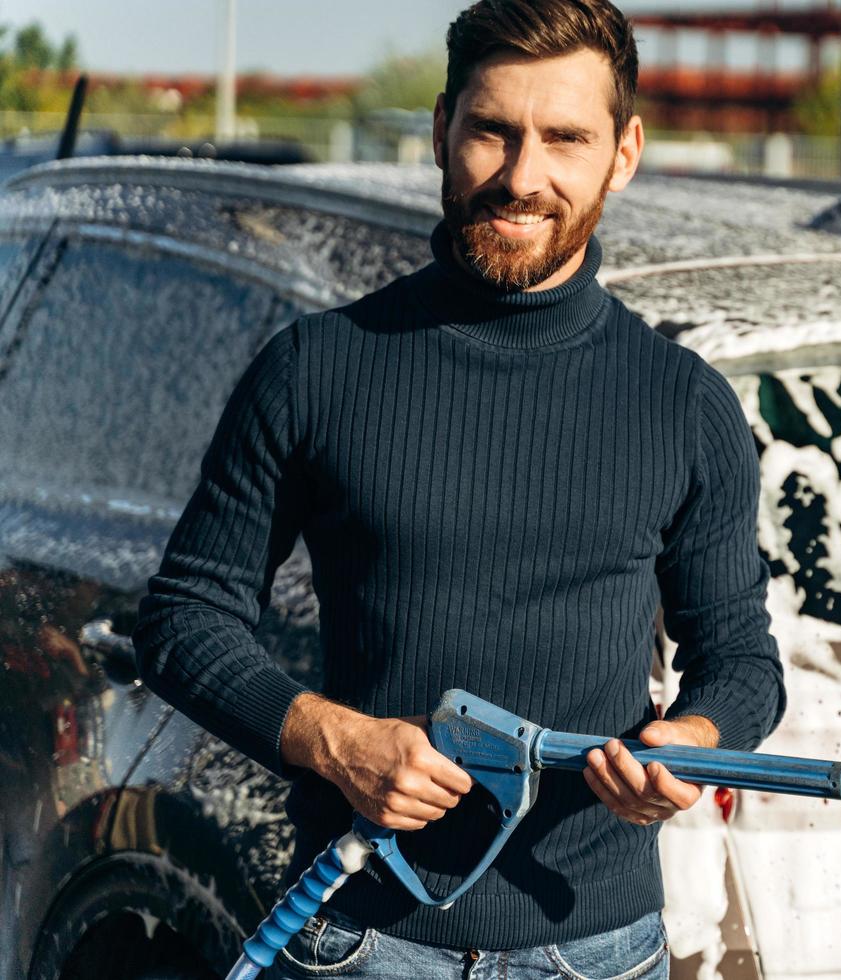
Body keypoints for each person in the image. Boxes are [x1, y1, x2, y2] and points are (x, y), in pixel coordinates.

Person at [130, 1, 787, 976]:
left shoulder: (685, 404)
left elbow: (743, 660)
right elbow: (184, 617)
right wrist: (328, 737)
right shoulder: (316, 368)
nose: (525, 177)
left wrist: (692, 738)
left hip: (600, 951)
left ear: (626, 150)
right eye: (493, 131)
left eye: (566, 138)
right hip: (357, 939)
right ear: (441, 130)